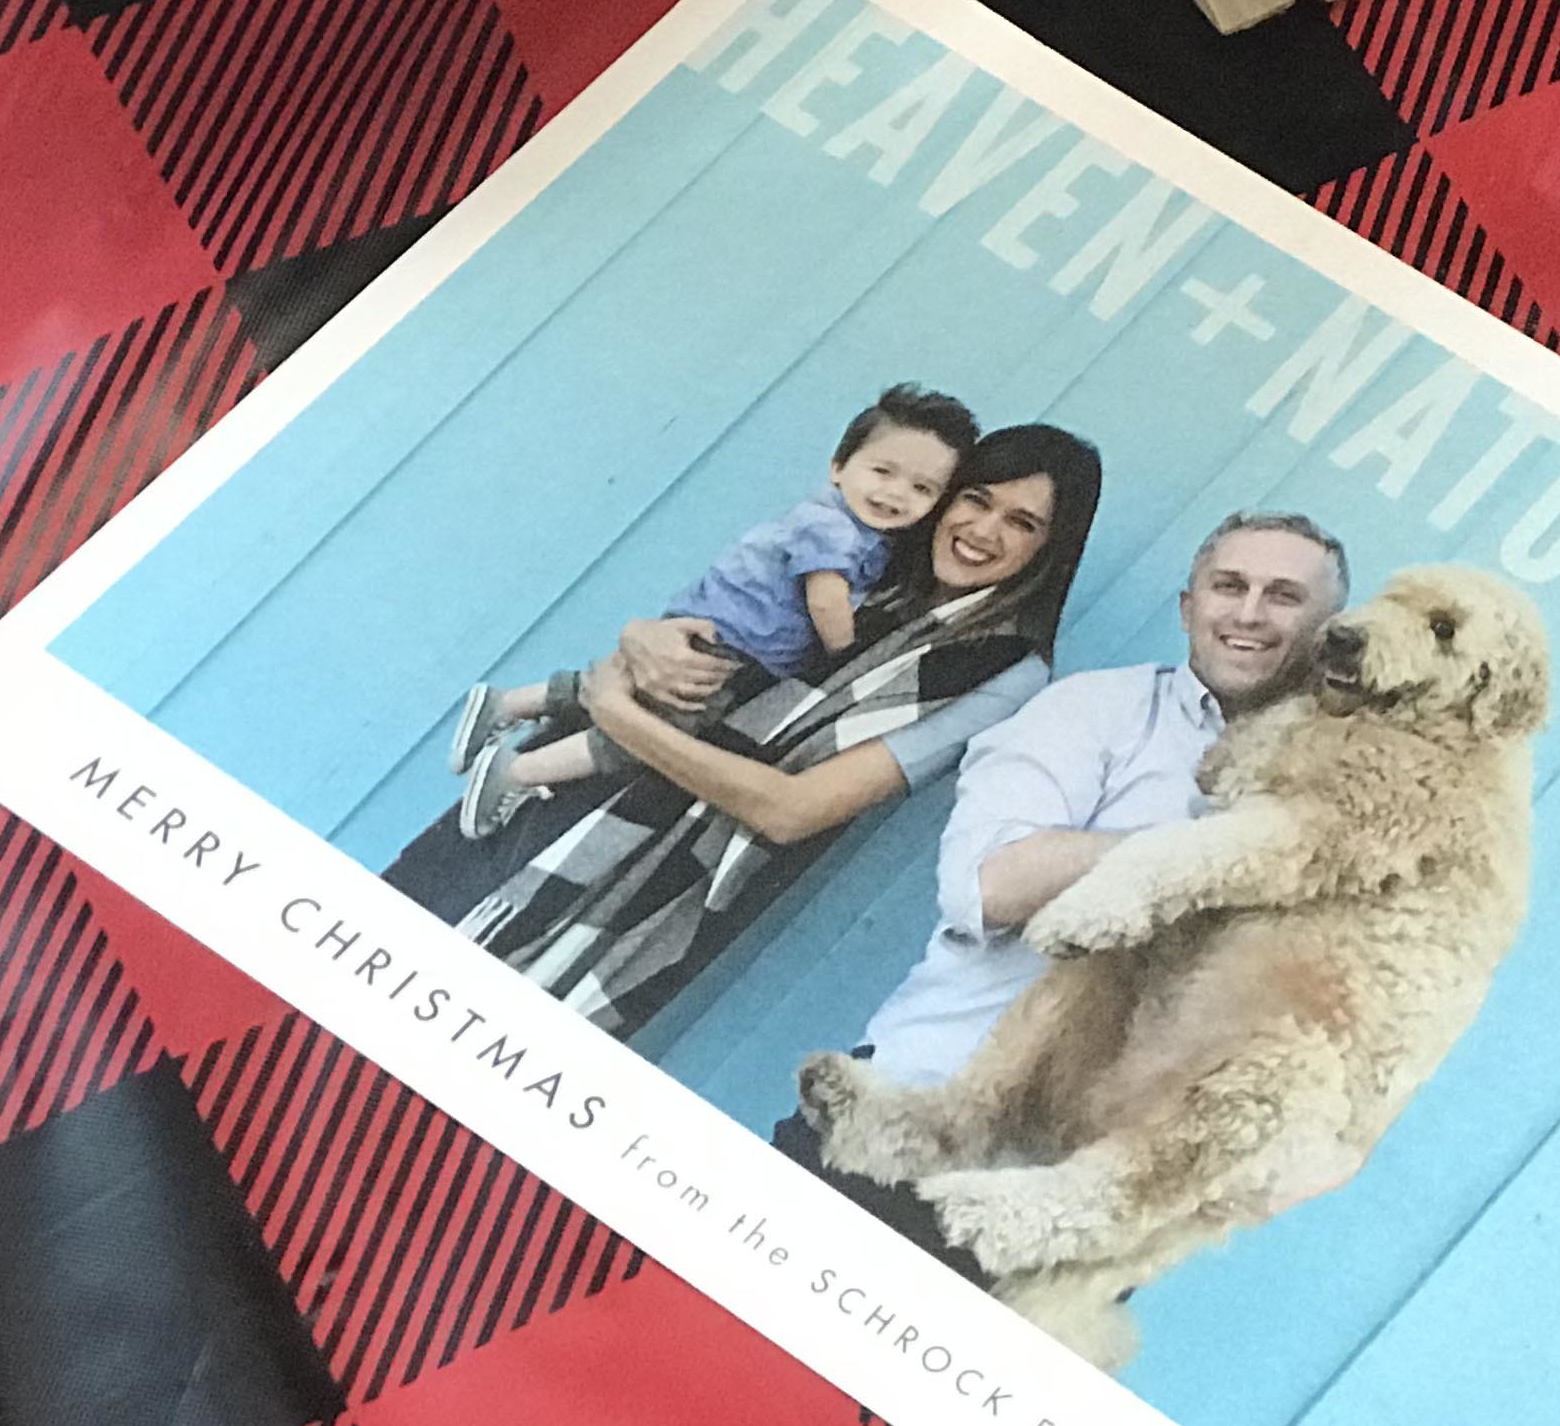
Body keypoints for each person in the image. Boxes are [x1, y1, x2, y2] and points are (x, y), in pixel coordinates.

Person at [383, 422, 1098, 1042]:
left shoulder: (1001, 668)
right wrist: (641, 639)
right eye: (977, 499)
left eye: (1022, 523)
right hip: (548, 795)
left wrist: (617, 714)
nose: (983, 530)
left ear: (1050, 551)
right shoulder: (865, 566)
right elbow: (708, 633)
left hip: (658, 881)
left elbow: (792, 811)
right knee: (375, 951)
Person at [773, 511, 1352, 1254]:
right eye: (1229, 586)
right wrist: (1226, 854)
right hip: (906, 1125)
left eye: (1284, 596)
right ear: (1188, 606)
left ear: (1330, 628)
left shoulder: (1338, 784)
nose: (1248, 613)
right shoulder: (1097, 711)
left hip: (1071, 1206)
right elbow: (992, 885)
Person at [443, 382, 978, 839]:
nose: (896, 494)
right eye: (883, 471)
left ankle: (507, 704)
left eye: (921, 488)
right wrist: (845, 652)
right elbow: (824, 598)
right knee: (653, 735)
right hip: (734, 641)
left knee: (627, 686)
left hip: (712, 619)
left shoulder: (847, 527)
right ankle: (516, 772)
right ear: (838, 467)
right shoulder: (835, 530)